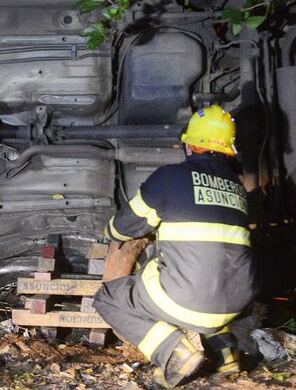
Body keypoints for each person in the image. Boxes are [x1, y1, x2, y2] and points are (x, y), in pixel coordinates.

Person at [94, 105, 257, 388]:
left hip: (190, 300)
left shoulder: (169, 178)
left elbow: (123, 228)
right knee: (210, 282)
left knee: (108, 298)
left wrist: (108, 231)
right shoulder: (237, 187)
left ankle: (174, 352)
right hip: (239, 300)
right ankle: (226, 352)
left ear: (191, 144)